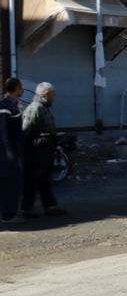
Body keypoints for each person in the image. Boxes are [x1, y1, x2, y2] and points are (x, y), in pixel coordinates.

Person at [21, 82, 64, 218]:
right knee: (32, 180)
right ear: (45, 95)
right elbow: (24, 131)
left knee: (45, 179)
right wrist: (38, 143)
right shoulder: (35, 109)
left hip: (45, 150)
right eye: (52, 94)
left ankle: (50, 207)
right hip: (36, 151)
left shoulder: (44, 108)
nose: (54, 97)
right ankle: (26, 210)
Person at [0, 77, 24, 224]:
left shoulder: (12, 104)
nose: (22, 90)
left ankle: (10, 212)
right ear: (15, 88)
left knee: (13, 182)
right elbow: (3, 130)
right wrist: (9, 152)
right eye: (21, 87)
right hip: (7, 153)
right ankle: (7, 215)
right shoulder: (5, 105)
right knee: (9, 183)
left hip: (12, 151)